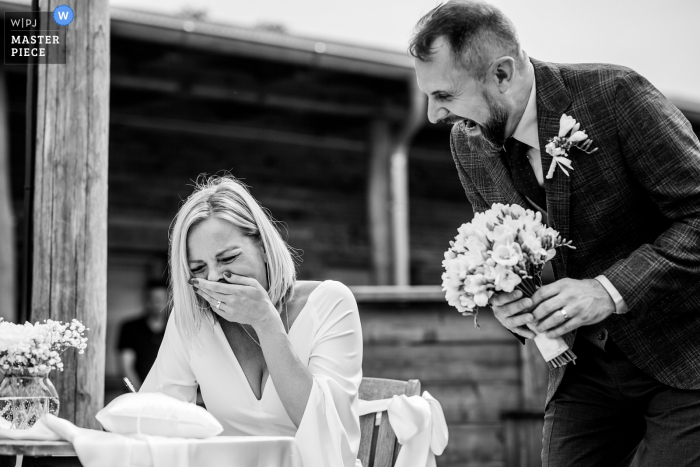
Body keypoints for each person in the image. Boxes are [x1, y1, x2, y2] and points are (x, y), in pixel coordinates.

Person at [410, 1, 700, 466]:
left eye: (443, 94)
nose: (432, 114)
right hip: (583, 372)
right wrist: (504, 301)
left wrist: (608, 291)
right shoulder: (468, 142)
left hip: (683, 357)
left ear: (502, 74)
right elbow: (504, 249)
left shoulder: (615, 95)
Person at [140, 176, 363, 467]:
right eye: (198, 268)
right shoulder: (193, 321)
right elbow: (155, 417)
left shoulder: (330, 302)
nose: (214, 278)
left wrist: (265, 321)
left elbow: (331, 444)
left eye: (228, 258)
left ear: (263, 245)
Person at [117, 279, 168, 389]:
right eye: (152, 299)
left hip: (171, 397)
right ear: (146, 300)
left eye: (160, 300)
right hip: (137, 397)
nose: (156, 304)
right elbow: (126, 367)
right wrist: (140, 394)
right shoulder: (130, 328)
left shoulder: (178, 328)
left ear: (168, 300)